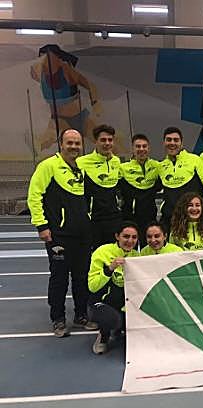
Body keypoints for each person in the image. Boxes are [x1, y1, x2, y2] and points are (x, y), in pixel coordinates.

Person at [27, 128, 97, 337]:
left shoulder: (81, 169)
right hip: (59, 235)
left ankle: (81, 315)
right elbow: (34, 195)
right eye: (70, 142)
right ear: (61, 144)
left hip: (82, 235)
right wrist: (41, 226)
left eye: (77, 143)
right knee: (59, 278)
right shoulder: (48, 166)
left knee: (81, 277)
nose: (74, 146)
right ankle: (58, 319)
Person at [30, 44, 102, 151]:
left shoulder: (66, 70)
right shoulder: (39, 73)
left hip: (79, 117)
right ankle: (40, 144)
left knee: (101, 141)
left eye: (46, 58)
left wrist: (95, 103)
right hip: (58, 118)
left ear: (55, 59)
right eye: (41, 58)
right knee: (50, 137)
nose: (43, 62)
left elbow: (91, 86)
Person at [88, 221, 140, 354]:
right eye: (126, 236)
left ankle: (120, 328)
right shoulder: (102, 252)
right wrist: (110, 269)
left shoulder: (136, 256)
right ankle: (103, 336)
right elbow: (93, 286)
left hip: (125, 304)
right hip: (102, 302)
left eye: (134, 237)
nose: (130, 241)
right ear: (117, 236)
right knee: (112, 319)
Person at [158, 127, 203, 230]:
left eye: (176, 140)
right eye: (169, 140)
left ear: (182, 143)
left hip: (193, 220)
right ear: (164, 143)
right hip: (170, 221)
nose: (172, 143)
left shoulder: (195, 160)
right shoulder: (160, 166)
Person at [77, 124, 122, 248]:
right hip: (94, 220)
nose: (107, 143)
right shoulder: (81, 162)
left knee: (114, 254)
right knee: (95, 255)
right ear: (95, 141)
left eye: (110, 140)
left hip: (114, 219)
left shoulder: (116, 161)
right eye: (103, 140)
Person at [119, 134, 160, 248]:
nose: (141, 149)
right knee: (128, 248)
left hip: (150, 216)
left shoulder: (157, 166)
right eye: (138, 146)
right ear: (132, 149)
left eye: (144, 146)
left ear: (149, 148)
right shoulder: (122, 168)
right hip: (129, 217)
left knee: (149, 248)